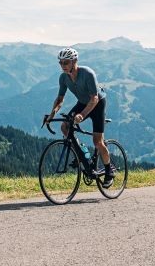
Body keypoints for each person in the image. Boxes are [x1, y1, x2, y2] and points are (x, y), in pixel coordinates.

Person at [45, 47, 114, 188]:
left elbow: (94, 98)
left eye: (65, 62)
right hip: (82, 103)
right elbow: (60, 99)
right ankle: (82, 153)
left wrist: (82, 115)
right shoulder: (63, 78)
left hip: (97, 104)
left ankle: (109, 170)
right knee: (65, 126)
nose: (63, 66)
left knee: (97, 142)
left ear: (74, 61)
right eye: (60, 63)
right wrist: (51, 115)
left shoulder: (87, 73)